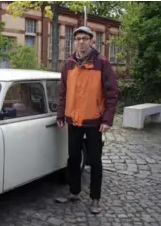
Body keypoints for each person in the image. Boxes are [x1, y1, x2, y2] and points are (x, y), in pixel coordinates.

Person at [55, 26, 119, 214]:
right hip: (73, 121)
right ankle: (74, 192)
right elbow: (63, 93)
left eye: (85, 38)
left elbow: (112, 93)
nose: (81, 42)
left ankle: (95, 199)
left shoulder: (102, 63)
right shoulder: (69, 64)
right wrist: (61, 114)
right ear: (74, 42)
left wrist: (107, 119)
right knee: (73, 159)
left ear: (92, 41)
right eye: (78, 39)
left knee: (96, 161)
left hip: (94, 121)